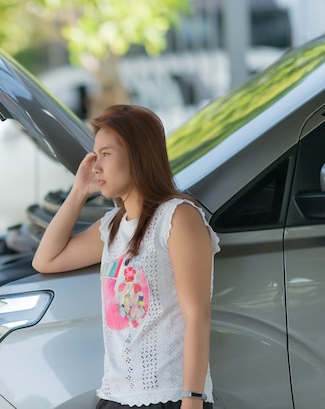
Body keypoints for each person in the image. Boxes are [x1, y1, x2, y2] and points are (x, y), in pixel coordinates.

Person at [32, 104, 219, 409]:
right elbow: (46, 260)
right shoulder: (113, 227)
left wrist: (193, 399)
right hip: (116, 397)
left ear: (138, 156)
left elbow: (197, 315)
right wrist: (79, 191)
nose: (96, 166)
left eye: (106, 154)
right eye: (95, 155)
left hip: (168, 396)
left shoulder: (177, 217)